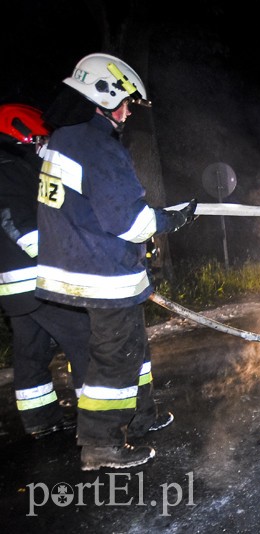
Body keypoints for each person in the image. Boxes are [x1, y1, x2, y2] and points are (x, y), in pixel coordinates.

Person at [35, 53, 198, 470]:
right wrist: (173, 219)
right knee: (114, 359)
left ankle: (140, 417)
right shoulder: (98, 147)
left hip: (74, 265)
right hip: (100, 273)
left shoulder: (65, 138)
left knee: (132, 350)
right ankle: (101, 445)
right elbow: (133, 222)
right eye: (123, 102)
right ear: (99, 95)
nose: (127, 113)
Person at [0, 102, 90, 439]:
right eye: (39, 139)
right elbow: (18, 222)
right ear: (19, 133)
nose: (43, 146)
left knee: (31, 353)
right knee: (85, 339)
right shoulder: (10, 167)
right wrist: (66, 257)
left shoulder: (11, 165)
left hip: (14, 287)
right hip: (38, 278)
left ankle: (41, 421)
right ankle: (98, 424)